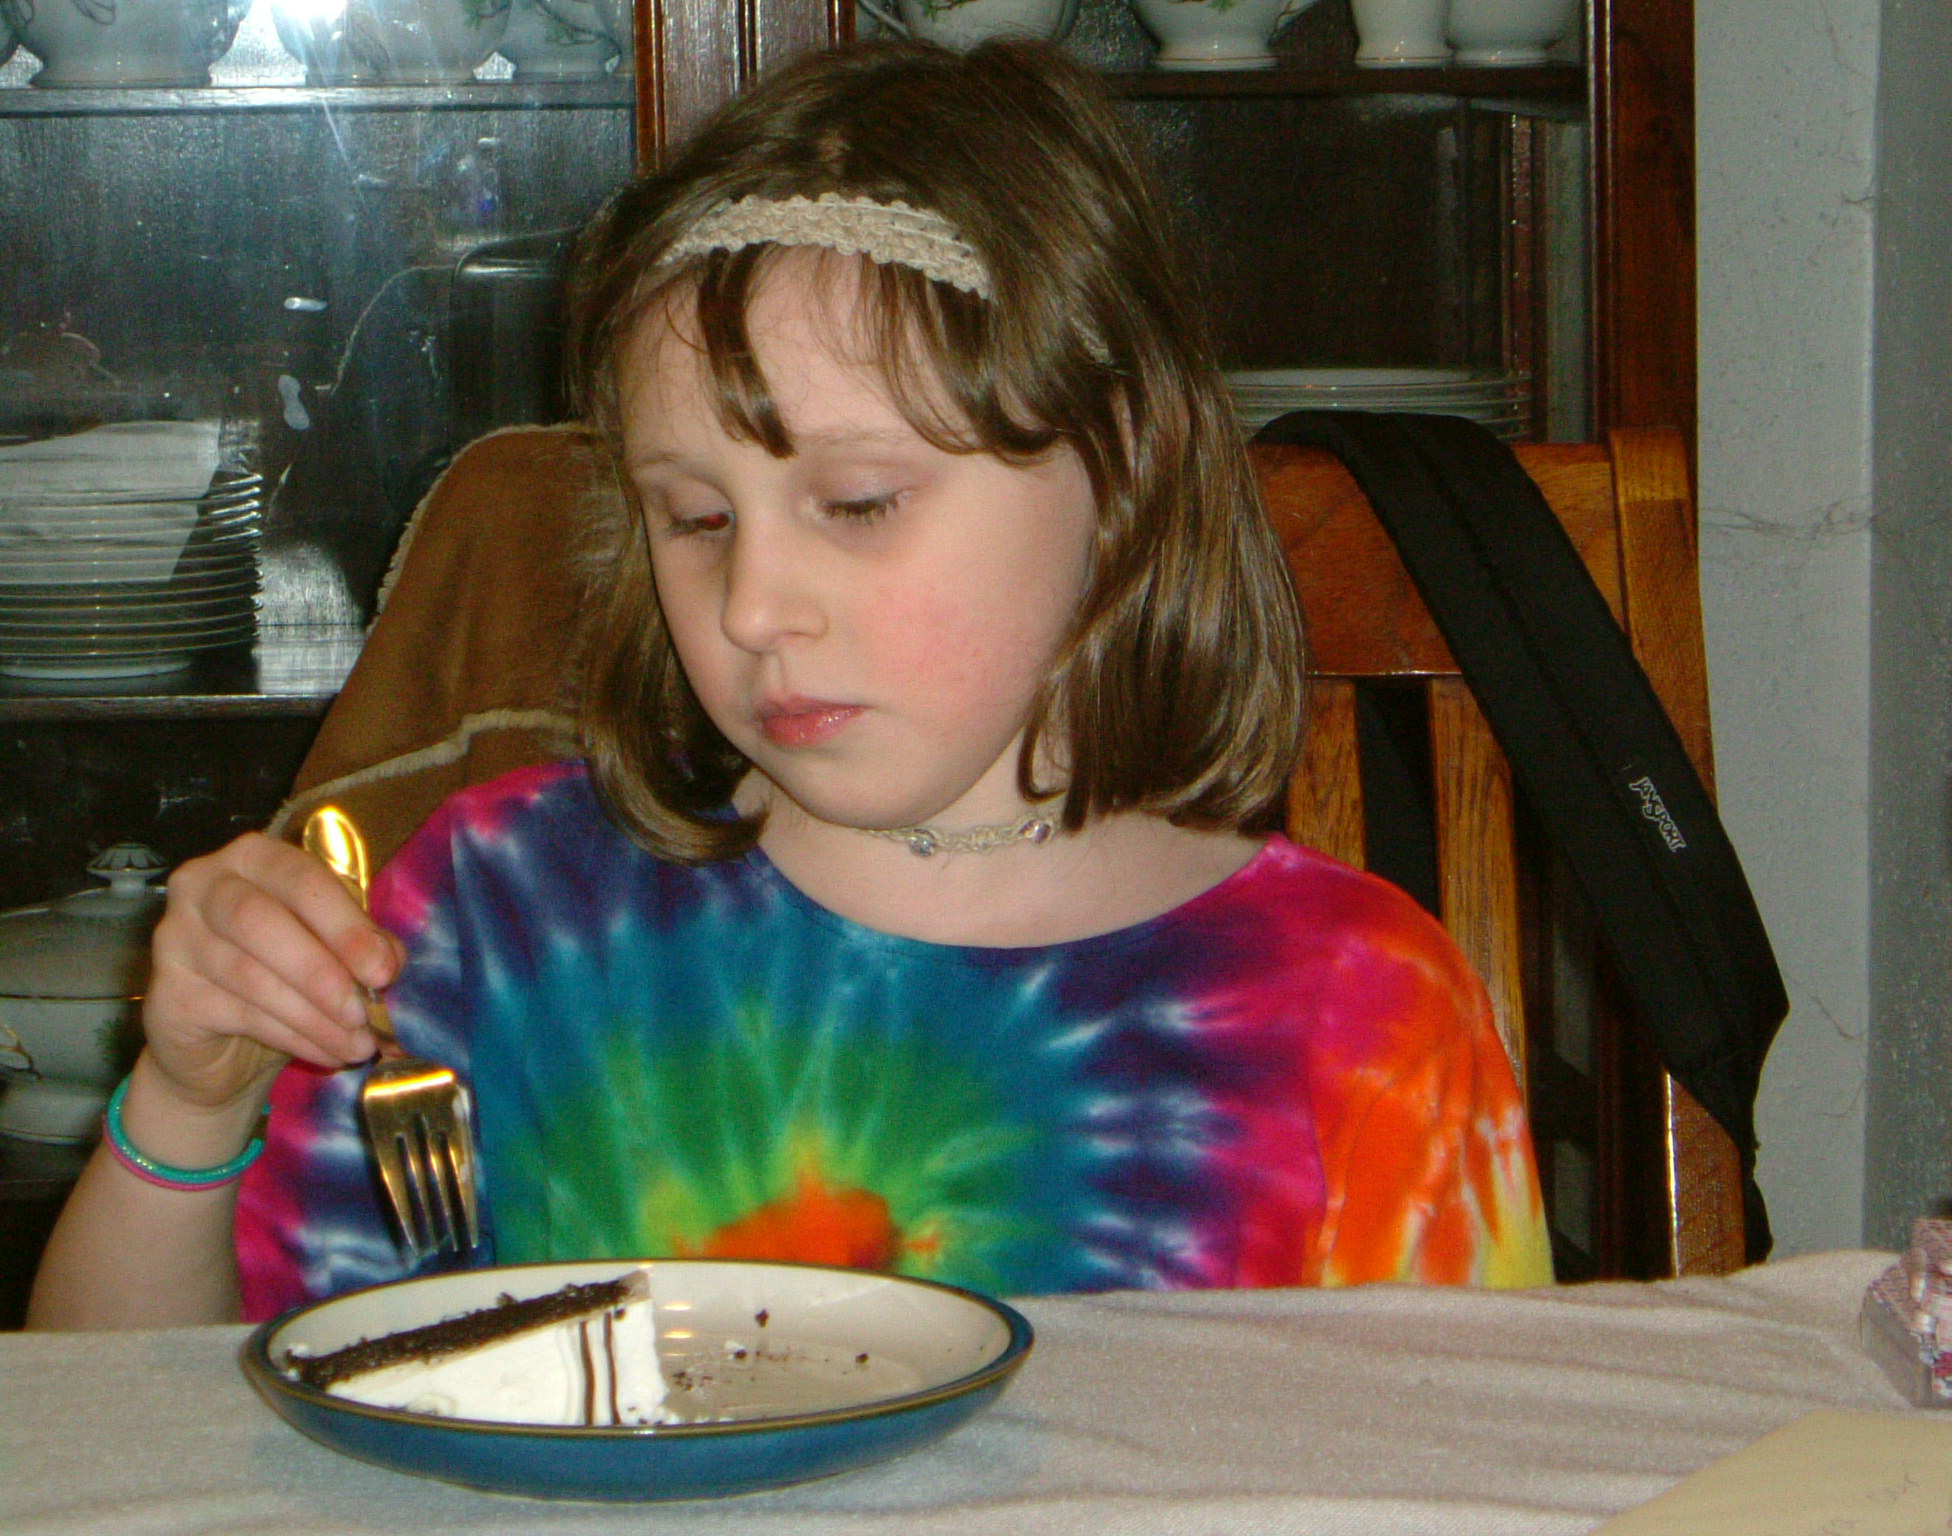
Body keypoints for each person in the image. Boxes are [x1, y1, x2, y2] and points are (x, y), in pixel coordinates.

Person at [29, 39, 1550, 1331]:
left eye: (859, 503)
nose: (752, 607)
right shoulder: (499, 924)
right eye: (696, 518)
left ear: (1123, 470)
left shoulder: (1359, 1014)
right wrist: (190, 1105)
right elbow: (133, 1432)